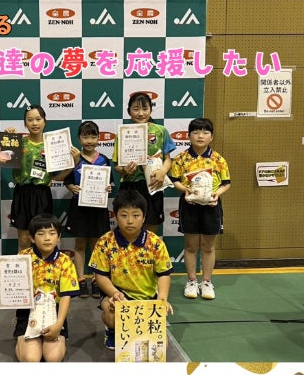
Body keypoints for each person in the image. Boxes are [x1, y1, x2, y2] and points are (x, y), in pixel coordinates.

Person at [88, 189, 174, 351]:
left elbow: (164, 274)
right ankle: (112, 329)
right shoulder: (105, 242)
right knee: (111, 314)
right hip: (118, 295)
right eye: (124, 215)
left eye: (135, 215)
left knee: (158, 348)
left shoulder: (155, 243)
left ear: (144, 217)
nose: (129, 221)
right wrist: (115, 294)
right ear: (115, 216)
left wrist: (162, 299)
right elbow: (100, 275)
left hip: (147, 298)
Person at [0, 213, 80, 362]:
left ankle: (53, 340)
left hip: (54, 312)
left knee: (53, 358)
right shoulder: (23, 257)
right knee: (31, 359)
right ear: (32, 238)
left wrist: (59, 324)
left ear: (59, 237)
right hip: (27, 311)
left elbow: (66, 296)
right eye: (41, 234)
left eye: (52, 233)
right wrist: (1, 283)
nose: (47, 238)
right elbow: (11, 281)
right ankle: (22, 340)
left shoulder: (65, 262)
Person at [168, 118, 231, 300]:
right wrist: (185, 190)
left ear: (212, 136)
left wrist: (217, 194)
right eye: (195, 132)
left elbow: (226, 183)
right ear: (189, 136)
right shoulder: (181, 158)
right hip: (189, 206)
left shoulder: (218, 159)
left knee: (208, 247)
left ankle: (207, 282)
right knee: (190, 246)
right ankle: (191, 281)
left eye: (205, 132)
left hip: (211, 206)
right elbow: (175, 181)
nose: (200, 136)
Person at [7, 105, 79, 251]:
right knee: (24, 240)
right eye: (30, 120)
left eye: (38, 119)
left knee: (43, 239)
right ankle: (25, 267)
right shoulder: (18, 143)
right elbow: (1, 158)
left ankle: (43, 266)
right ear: (25, 123)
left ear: (45, 122)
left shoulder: (52, 145)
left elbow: (58, 178)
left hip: (42, 195)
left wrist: (74, 163)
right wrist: (7, 138)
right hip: (22, 194)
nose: (34, 123)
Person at [112, 92, 176, 234]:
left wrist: (162, 172)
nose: (141, 113)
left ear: (151, 110)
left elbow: (167, 159)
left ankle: (148, 250)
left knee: (151, 228)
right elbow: (116, 165)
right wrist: (124, 170)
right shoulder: (122, 133)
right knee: (128, 226)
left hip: (154, 183)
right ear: (129, 111)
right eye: (136, 109)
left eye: (145, 109)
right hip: (130, 185)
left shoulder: (161, 131)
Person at [63, 120, 113, 299]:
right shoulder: (74, 158)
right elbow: (67, 181)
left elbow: (111, 182)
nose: (89, 141)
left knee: (97, 245)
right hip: (80, 208)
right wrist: (72, 188)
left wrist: (109, 187)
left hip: (98, 208)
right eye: (85, 137)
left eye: (93, 137)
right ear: (79, 139)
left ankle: (96, 280)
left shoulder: (104, 159)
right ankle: (81, 279)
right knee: (80, 244)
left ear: (99, 138)